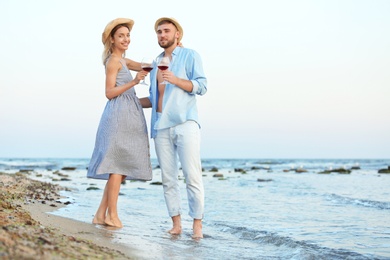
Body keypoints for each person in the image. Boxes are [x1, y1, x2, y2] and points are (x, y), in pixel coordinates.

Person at [139, 17, 207, 238]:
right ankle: (176, 224)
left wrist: (176, 80)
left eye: (166, 31)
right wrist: (127, 100)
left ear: (177, 34)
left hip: (185, 122)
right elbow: (153, 98)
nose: (162, 35)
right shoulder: (156, 62)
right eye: (159, 32)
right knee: (168, 178)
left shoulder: (190, 55)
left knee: (192, 175)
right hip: (160, 127)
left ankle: (197, 225)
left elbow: (202, 86)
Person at [87, 18, 152, 228]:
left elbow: (147, 65)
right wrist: (134, 82)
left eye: (128, 35)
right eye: (121, 36)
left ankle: (100, 214)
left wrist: (169, 58)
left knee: (120, 169)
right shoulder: (113, 61)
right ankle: (112, 216)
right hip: (117, 117)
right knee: (117, 166)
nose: (126, 39)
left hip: (127, 115)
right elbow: (109, 92)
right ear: (112, 40)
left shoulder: (124, 60)